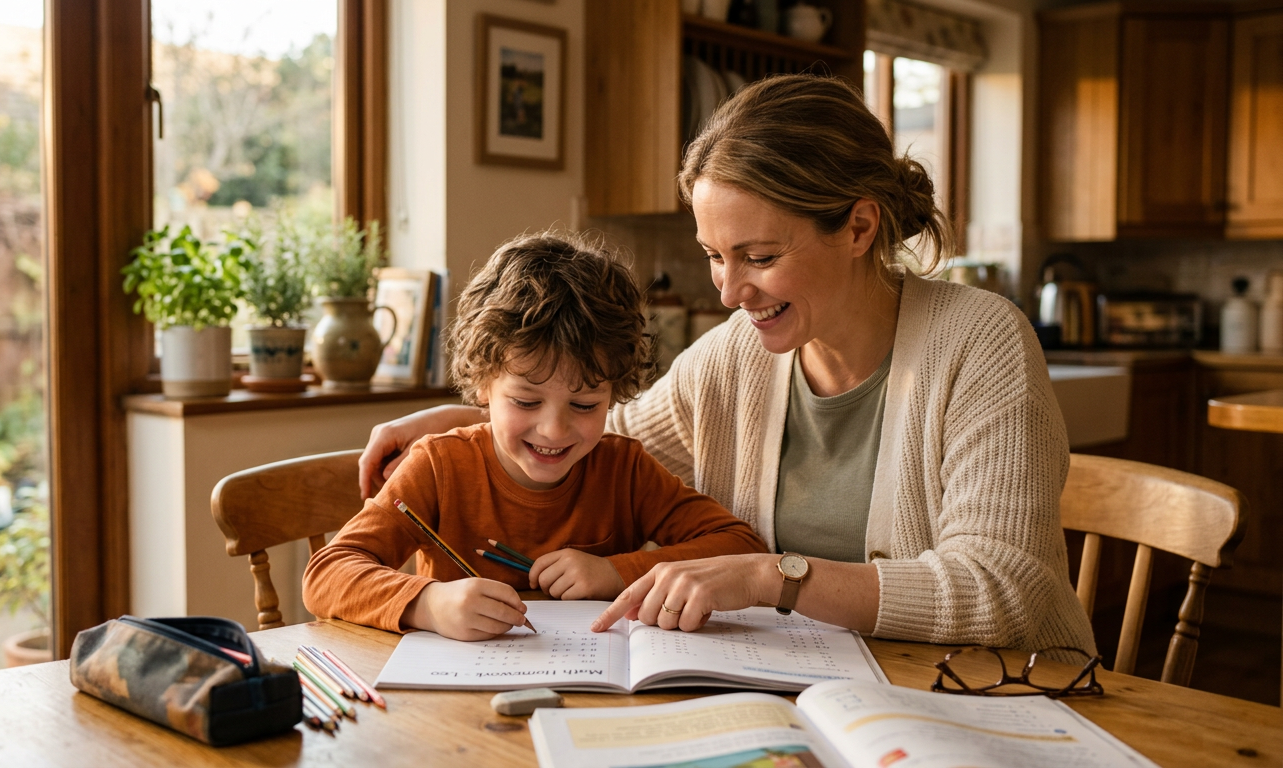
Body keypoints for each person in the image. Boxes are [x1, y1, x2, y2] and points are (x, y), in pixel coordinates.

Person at [358, 75, 1097, 656]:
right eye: (716, 256)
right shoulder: (737, 356)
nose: (730, 291)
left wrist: (774, 576)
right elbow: (598, 434)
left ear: (859, 227)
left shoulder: (979, 342)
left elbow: (1004, 591)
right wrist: (466, 417)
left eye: (760, 257)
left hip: (992, 700)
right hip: (812, 701)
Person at [302, 232, 766, 641]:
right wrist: (428, 604)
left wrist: (613, 572)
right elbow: (326, 573)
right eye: (526, 402)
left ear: (614, 391)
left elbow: (741, 547)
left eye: (585, 406)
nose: (554, 430)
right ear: (483, 384)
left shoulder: (623, 469)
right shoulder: (440, 466)